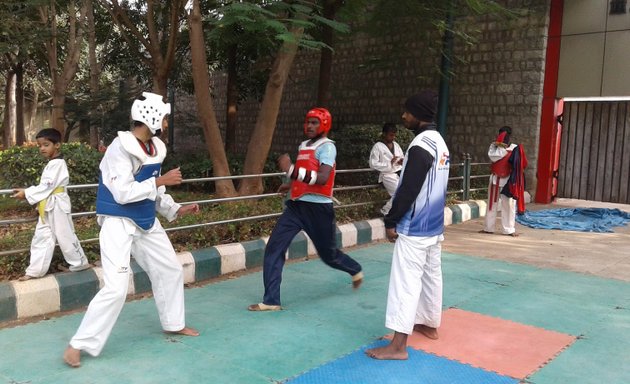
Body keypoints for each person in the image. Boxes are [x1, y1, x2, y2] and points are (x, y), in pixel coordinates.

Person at [63, 92, 199, 368]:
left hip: (146, 220)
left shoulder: (154, 148)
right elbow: (123, 192)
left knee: (170, 269)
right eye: (162, 117)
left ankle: (174, 323)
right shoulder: (120, 148)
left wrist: (174, 208)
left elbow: (153, 187)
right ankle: (78, 344)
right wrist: (162, 179)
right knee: (116, 287)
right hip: (118, 221)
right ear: (150, 117)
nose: (165, 122)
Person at [248, 107, 364, 312]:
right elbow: (306, 175)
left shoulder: (328, 147)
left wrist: (291, 170)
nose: (309, 126)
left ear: (325, 125)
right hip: (296, 206)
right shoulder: (304, 145)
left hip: (318, 209)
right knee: (274, 247)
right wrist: (292, 184)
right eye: (308, 122)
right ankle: (271, 300)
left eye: (314, 123)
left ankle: (354, 269)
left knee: (328, 255)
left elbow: (322, 178)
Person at [366, 90, 450, 360]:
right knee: (430, 275)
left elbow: (408, 189)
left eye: (408, 112)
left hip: (415, 227)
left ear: (419, 115)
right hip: (435, 225)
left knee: (405, 281)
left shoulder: (420, 146)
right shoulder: (440, 143)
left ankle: (398, 346)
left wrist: (391, 221)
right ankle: (429, 323)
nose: (404, 116)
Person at [12, 128, 90, 281]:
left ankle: (80, 262)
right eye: (40, 145)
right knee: (42, 236)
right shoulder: (52, 163)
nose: (42, 148)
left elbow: (47, 186)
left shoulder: (58, 164)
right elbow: (46, 187)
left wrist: (26, 193)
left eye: (46, 145)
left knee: (65, 235)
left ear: (57, 145)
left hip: (58, 204)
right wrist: (27, 191)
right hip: (48, 204)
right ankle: (35, 271)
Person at [480, 126, 528, 236]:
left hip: (509, 180)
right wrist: (500, 145)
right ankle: (488, 228)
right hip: (495, 179)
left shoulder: (515, 148)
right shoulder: (494, 147)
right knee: (492, 204)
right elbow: (494, 157)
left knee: (509, 205)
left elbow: (522, 164)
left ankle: (509, 229)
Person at [369, 123, 404, 215]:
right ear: (384, 134)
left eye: (394, 135)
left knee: (403, 193)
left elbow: (401, 157)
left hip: (398, 173)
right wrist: (389, 163)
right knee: (399, 193)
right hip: (387, 174)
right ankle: (385, 210)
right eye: (391, 135)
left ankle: (391, 211)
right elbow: (373, 164)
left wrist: (401, 161)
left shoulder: (396, 145)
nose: (393, 137)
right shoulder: (377, 146)